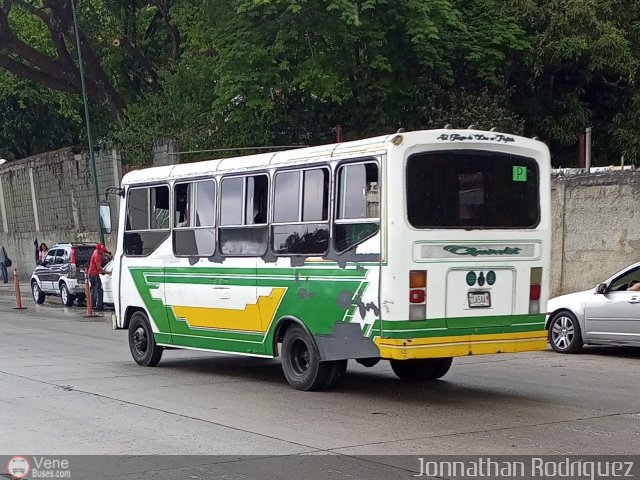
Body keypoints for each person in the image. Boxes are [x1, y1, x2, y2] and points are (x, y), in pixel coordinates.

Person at [87, 243, 112, 311]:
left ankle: (99, 306)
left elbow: (103, 253)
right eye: (101, 250)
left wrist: (109, 256)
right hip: (93, 274)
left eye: (102, 249)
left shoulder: (98, 251)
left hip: (95, 274)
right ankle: (93, 306)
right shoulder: (97, 255)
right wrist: (107, 272)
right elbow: (99, 268)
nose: (102, 251)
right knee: (94, 290)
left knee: (99, 289)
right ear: (98, 249)